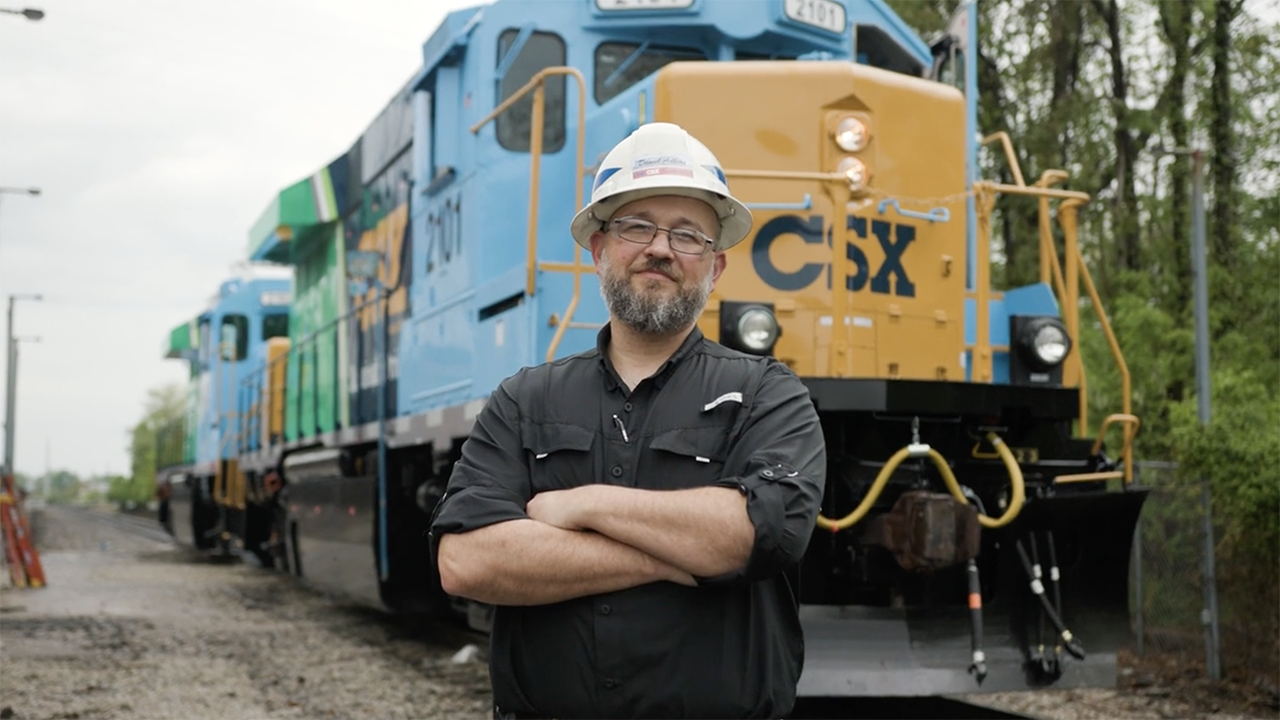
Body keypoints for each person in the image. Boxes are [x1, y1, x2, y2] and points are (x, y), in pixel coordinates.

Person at [429, 122, 826, 720]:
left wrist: (583, 506)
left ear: (715, 268)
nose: (660, 248)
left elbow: (757, 533)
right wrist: (681, 557)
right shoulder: (522, 400)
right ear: (598, 250)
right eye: (637, 226)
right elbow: (466, 562)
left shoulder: (768, 394)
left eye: (688, 235)